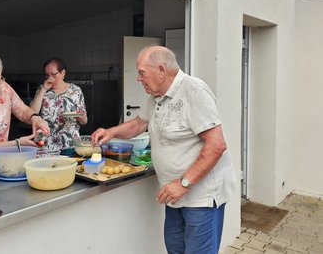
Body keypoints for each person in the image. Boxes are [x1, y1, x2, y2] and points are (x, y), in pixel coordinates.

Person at [91, 46, 235, 254]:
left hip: (200, 196)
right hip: (174, 195)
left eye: (142, 72)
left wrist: (184, 183)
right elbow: (139, 124)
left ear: (161, 69)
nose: (139, 79)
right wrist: (110, 132)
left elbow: (216, 145)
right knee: (175, 250)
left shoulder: (193, 91)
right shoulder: (156, 98)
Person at [30, 57, 87, 156]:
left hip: (69, 144)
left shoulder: (75, 91)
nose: (50, 78)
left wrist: (77, 115)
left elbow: (84, 121)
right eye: (47, 75)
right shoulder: (42, 89)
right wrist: (43, 89)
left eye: (53, 74)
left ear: (63, 73)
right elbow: (31, 113)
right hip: (45, 144)